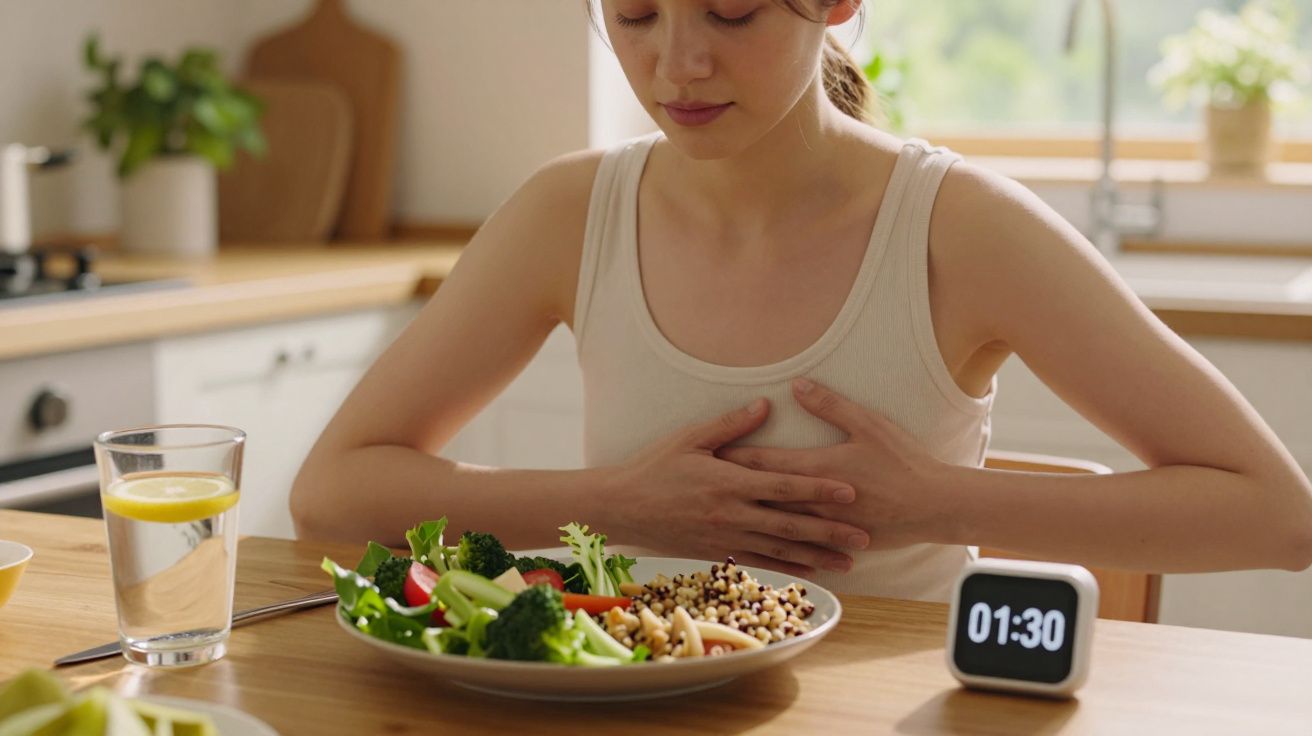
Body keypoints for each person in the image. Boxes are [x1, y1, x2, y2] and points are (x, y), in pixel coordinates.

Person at [291, 0, 1312, 601]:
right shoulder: (570, 211)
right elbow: (331, 492)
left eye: (730, 9)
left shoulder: (956, 226)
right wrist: (606, 504)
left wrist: (939, 502)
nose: (675, 62)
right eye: (636, 11)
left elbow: (1276, 514)